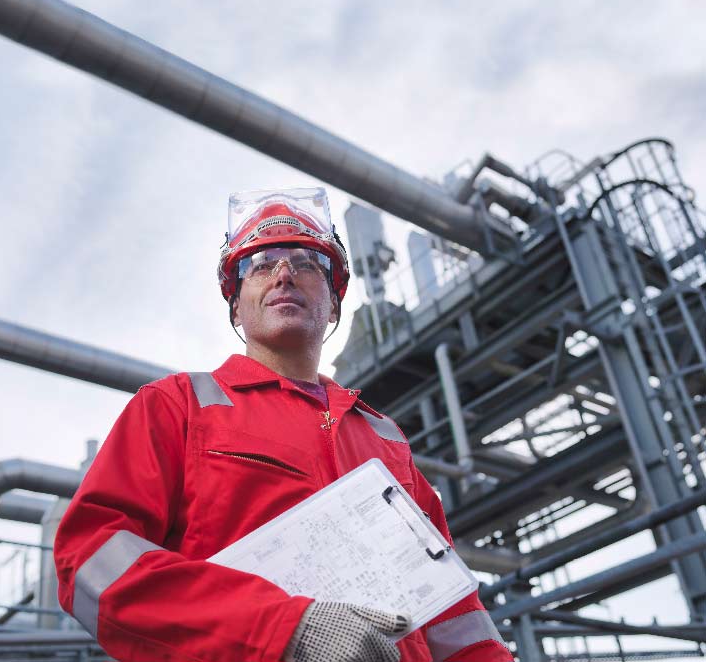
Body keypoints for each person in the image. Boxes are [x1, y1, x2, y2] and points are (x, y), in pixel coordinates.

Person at [54, 187, 512, 662]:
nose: (284, 273)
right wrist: (280, 630)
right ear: (236, 306)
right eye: (260, 264)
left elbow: (454, 614)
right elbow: (90, 556)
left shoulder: (386, 439)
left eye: (307, 263)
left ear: (334, 305)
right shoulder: (177, 406)